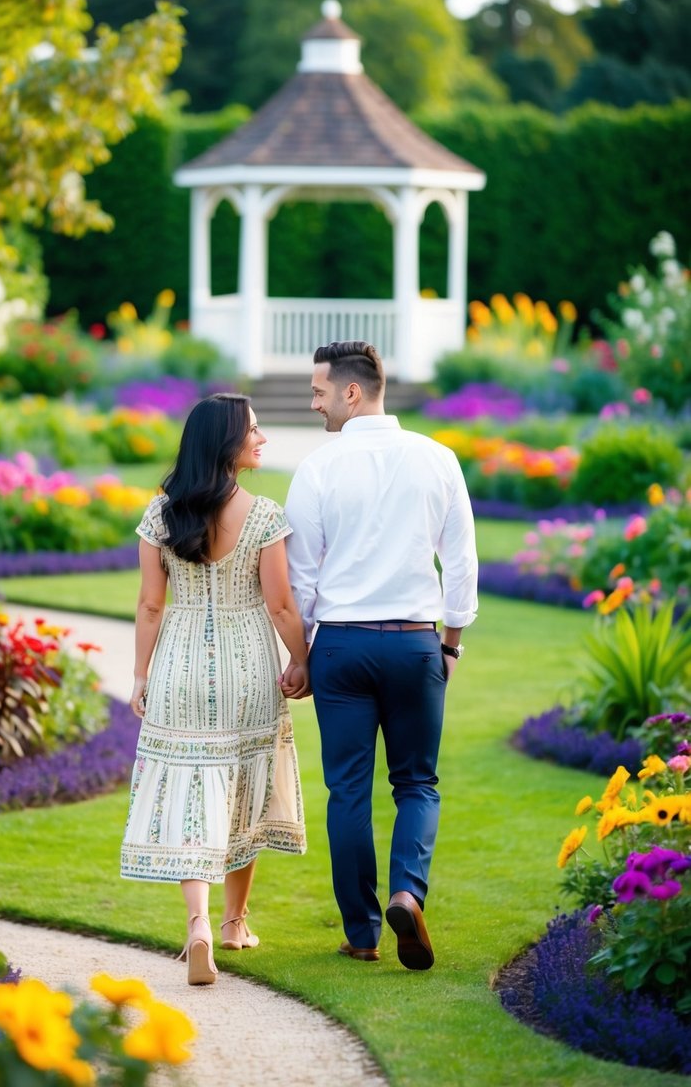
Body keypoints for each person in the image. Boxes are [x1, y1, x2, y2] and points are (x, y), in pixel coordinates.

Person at [284, 341, 478, 971]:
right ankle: (406, 893)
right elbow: (462, 562)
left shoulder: (317, 469)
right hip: (413, 640)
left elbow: (301, 578)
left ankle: (363, 933)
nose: (313, 403)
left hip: (341, 644)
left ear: (351, 391)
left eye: (318, 392)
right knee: (417, 783)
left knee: (347, 792)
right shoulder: (438, 459)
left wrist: (305, 653)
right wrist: (450, 641)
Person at [120, 393, 309, 986]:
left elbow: (152, 604)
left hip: (177, 662)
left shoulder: (159, 515)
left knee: (193, 788)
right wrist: (302, 661)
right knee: (242, 784)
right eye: (253, 430)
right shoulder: (263, 515)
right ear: (226, 443)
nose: (262, 439)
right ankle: (235, 922)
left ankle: (199, 923)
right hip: (246, 665)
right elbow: (280, 606)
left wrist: (141, 675)